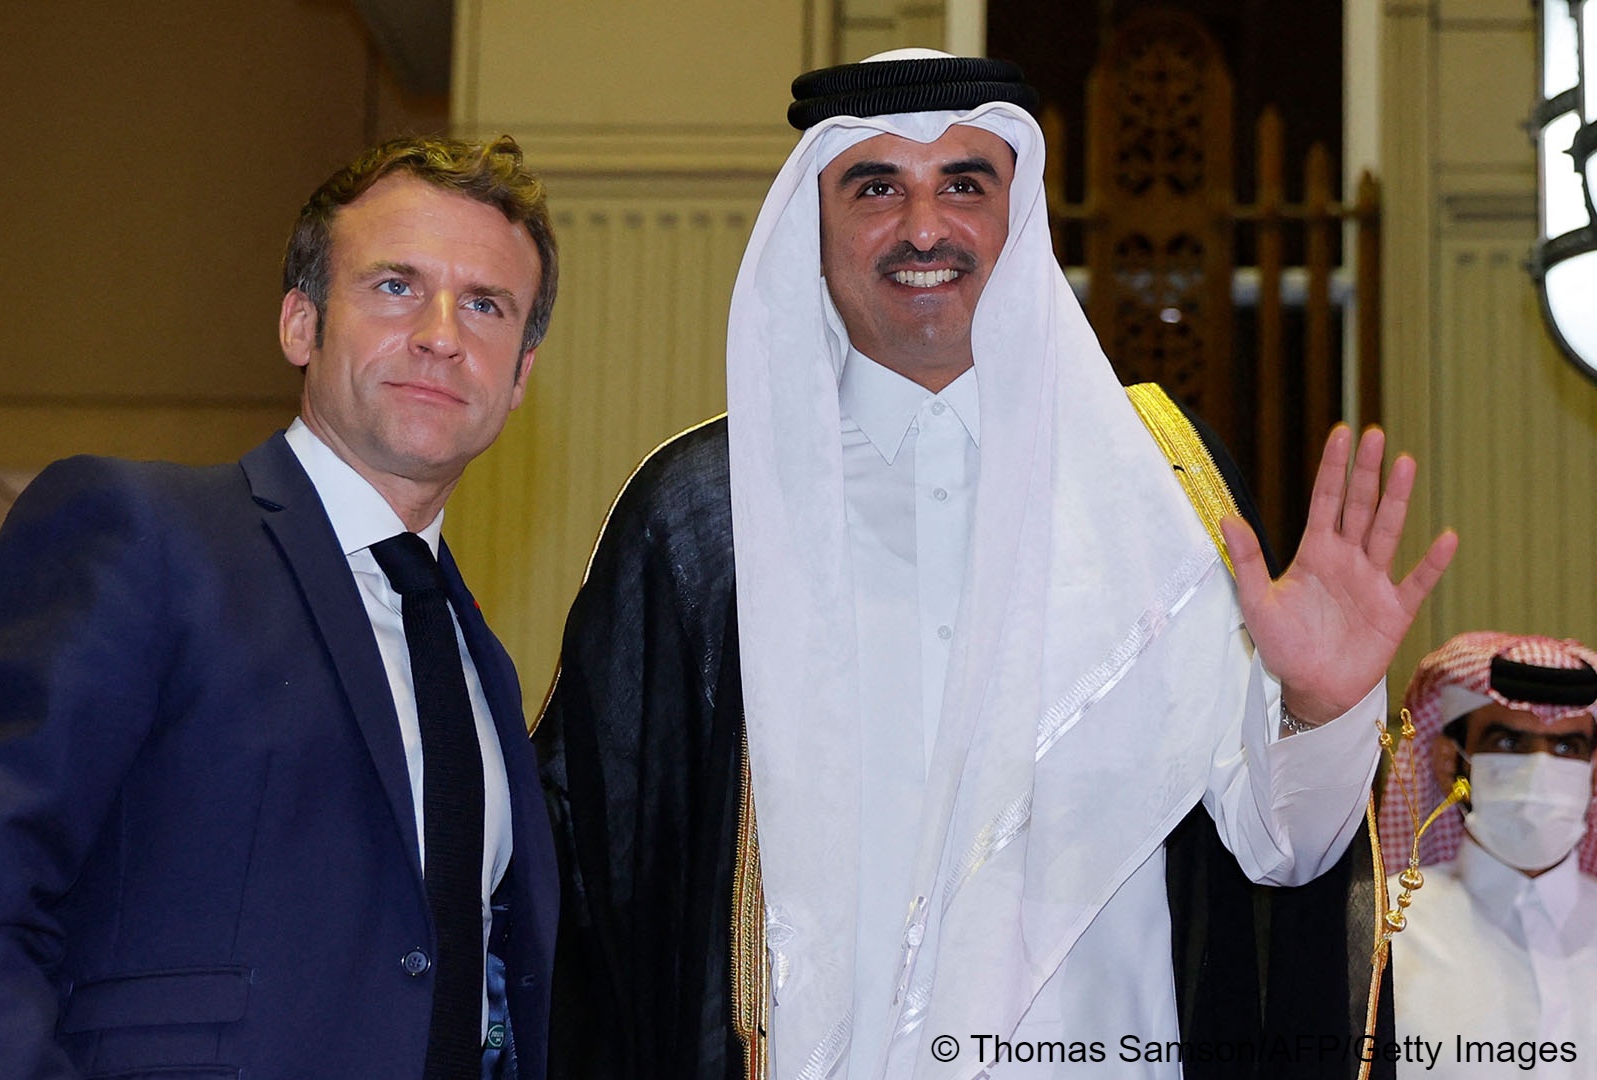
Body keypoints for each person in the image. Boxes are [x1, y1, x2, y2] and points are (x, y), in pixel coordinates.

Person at [536, 52, 1457, 1080]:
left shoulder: (1160, 483)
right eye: (876, 187)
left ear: (1018, 223)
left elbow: (1279, 850)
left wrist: (1317, 712)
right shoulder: (707, 517)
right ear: (815, 227)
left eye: (965, 184)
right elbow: (594, 883)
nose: (924, 227)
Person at [0, 135, 560, 1080]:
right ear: (300, 324)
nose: (443, 332)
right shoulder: (136, 537)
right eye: (396, 286)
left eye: (486, 304)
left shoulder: (480, 663)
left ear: (519, 376)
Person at [1382, 632, 1597, 1077]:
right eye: (1509, 744)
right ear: (1449, 762)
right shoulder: (1386, 932)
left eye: (1565, 748)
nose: (1540, 771)